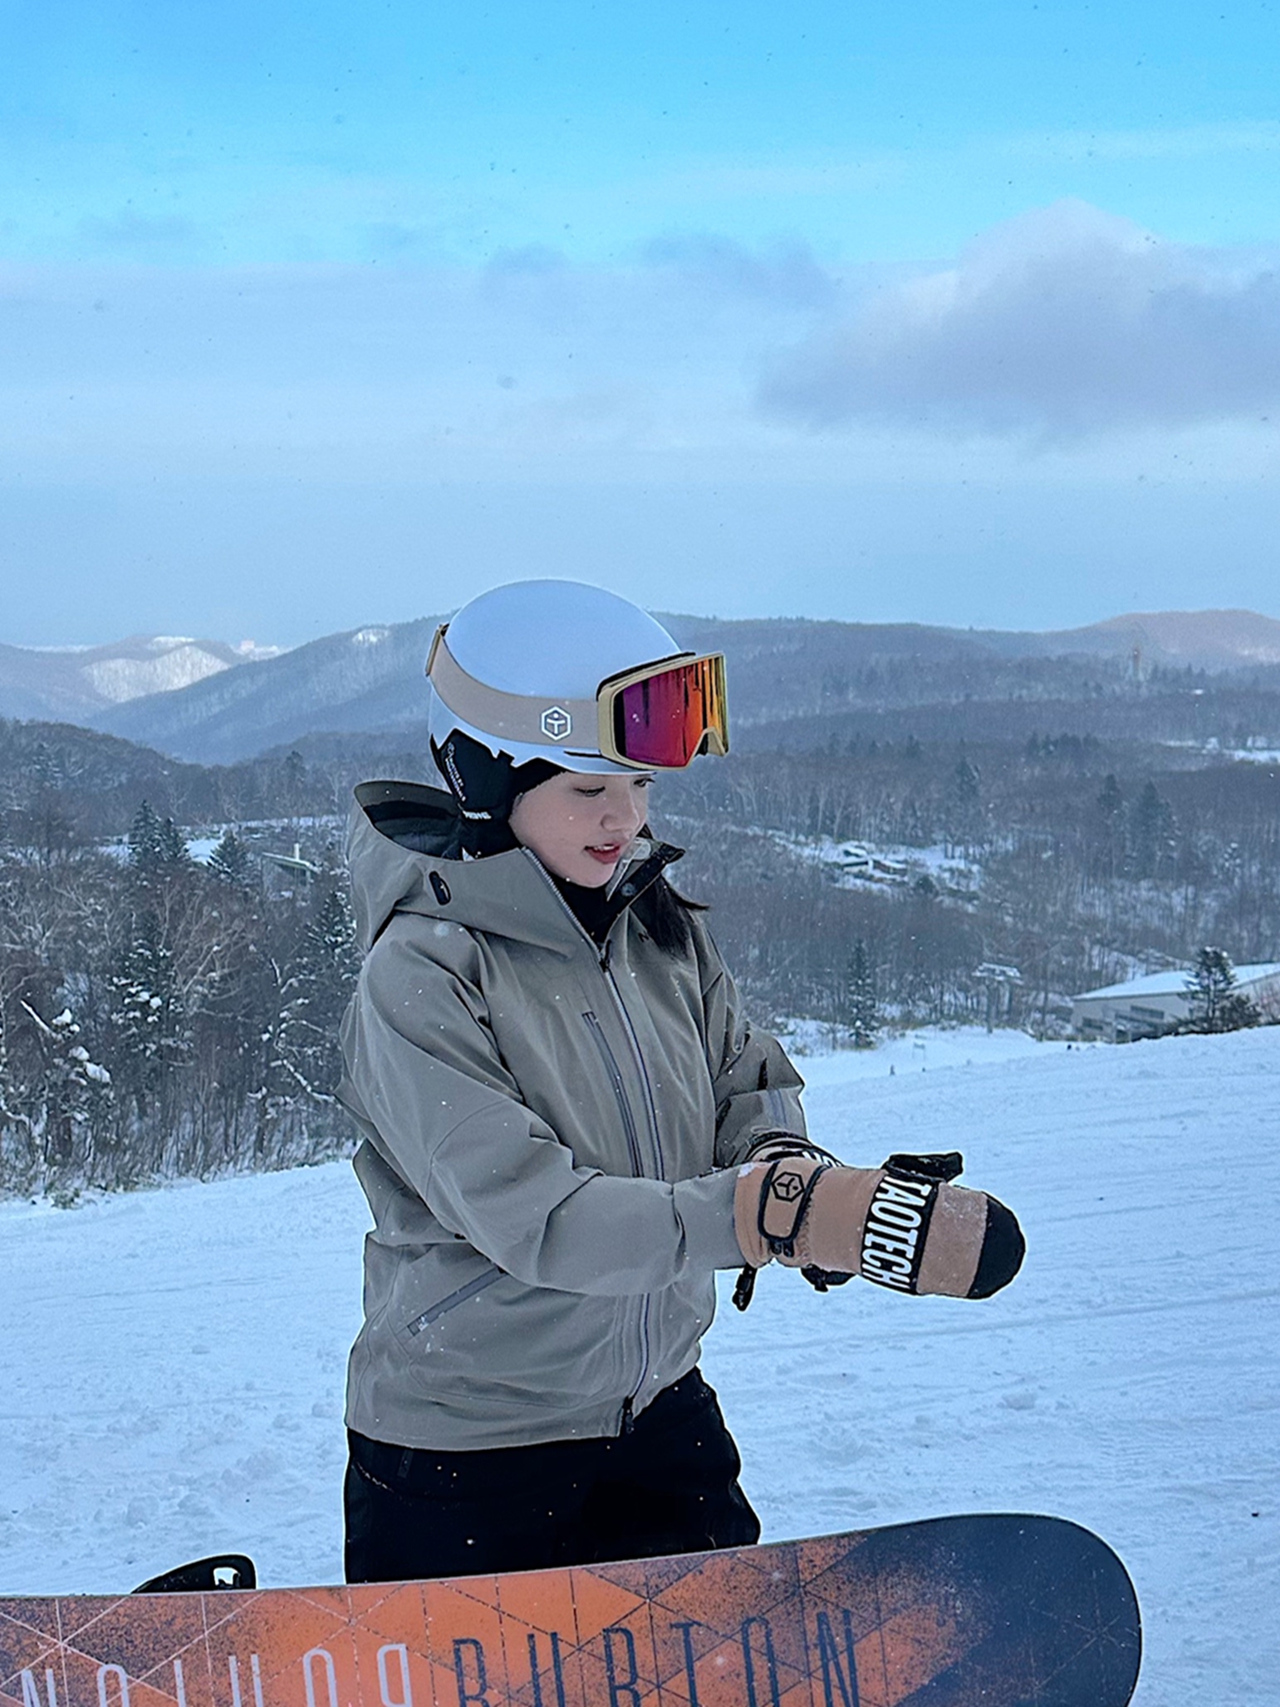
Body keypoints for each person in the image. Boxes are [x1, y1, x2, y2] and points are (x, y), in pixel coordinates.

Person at [337, 579, 1024, 1584]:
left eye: (641, 788)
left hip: (657, 1407)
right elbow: (542, 1221)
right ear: (482, 776)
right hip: (467, 1448)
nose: (625, 820)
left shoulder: (655, 926)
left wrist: (788, 1169)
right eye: (588, 790)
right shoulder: (422, 976)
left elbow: (747, 1084)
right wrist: (769, 1217)